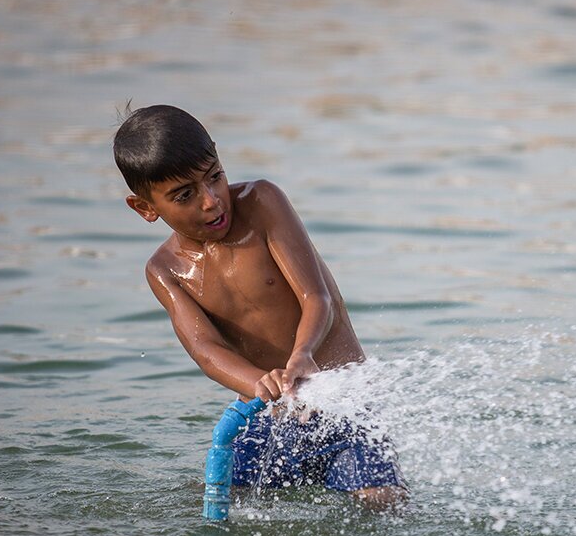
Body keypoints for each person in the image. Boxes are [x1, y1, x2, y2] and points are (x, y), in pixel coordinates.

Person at [113, 104, 406, 511]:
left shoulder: (262, 203)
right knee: (217, 499)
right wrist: (259, 385)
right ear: (145, 208)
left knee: (383, 503)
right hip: (274, 418)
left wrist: (302, 356)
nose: (212, 201)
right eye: (185, 195)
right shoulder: (166, 271)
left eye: (214, 176)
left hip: (344, 405)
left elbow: (316, 299)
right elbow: (206, 351)